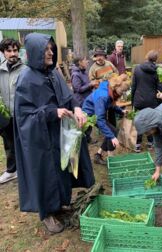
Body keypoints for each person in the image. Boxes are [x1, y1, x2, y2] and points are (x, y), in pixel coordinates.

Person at [14, 33, 95, 234]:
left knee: (62, 169)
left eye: (51, 48)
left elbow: (67, 97)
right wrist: (52, 112)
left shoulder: (53, 73)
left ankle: (60, 204)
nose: (51, 53)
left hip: (59, 135)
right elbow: (24, 117)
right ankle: (48, 213)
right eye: (46, 50)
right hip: (40, 139)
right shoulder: (26, 79)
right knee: (45, 175)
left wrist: (76, 108)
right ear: (34, 52)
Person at [83, 74, 130, 165]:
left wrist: (121, 111)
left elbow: (110, 104)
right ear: (117, 86)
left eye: (125, 91)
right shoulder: (103, 96)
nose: (123, 93)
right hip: (91, 115)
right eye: (123, 90)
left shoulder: (110, 89)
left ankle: (98, 155)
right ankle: (111, 158)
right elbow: (99, 119)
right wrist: (112, 137)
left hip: (98, 111)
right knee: (111, 132)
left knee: (111, 131)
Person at [0, 38, 26, 184]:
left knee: (25, 143)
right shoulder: (0, 70)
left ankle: (26, 170)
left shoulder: (26, 71)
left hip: (22, 115)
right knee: (9, 144)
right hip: (7, 116)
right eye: (9, 51)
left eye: (15, 50)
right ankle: (11, 171)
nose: (12, 54)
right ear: (3, 53)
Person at [134, 102, 162, 183]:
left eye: (147, 131)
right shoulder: (155, 125)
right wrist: (157, 171)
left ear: (151, 124)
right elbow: (159, 146)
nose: (147, 134)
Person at [131, 50, 162, 152]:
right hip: (152, 101)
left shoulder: (137, 69)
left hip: (139, 100)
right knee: (151, 121)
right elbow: (160, 88)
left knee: (140, 120)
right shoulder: (158, 71)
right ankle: (150, 143)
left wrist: (133, 101)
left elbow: (134, 86)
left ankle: (137, 145)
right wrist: (160, 102)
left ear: (146, 57)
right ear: (156, 59)